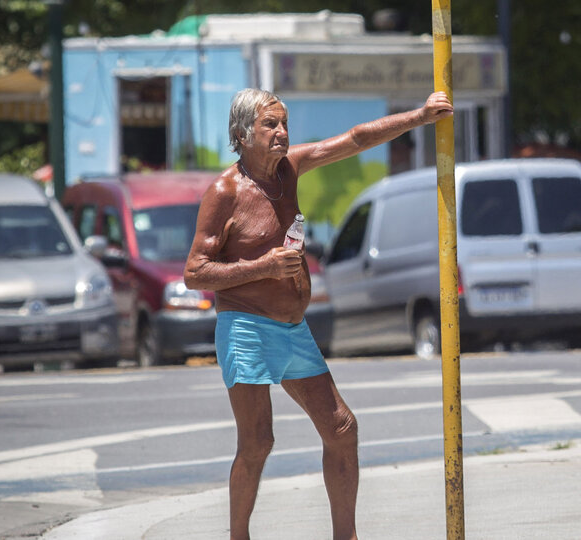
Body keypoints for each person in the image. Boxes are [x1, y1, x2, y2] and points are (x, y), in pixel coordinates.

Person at [184, 89, 453, 540]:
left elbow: (353, 139)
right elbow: (195, 273)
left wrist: (420, 116)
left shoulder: (289, 170)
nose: (281, 133)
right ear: (242, 133)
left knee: (342, 428)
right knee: (257, 442)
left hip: (293, 329)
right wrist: (263, 267)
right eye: (270, 125)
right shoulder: (224, 192)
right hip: (246, 326)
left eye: (284, 123)